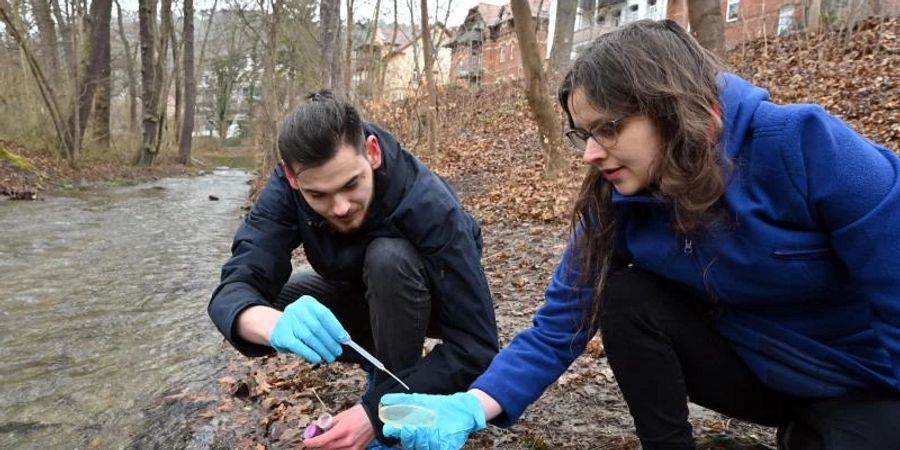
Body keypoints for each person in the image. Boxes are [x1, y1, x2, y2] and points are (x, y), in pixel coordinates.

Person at [380, 19, 900, 450]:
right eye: (584, 134)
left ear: (672, 108)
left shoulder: (805, 147)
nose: (590, 152)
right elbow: (560, 323)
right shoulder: (617, 197)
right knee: (627, 296)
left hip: (861, 380)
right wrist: (472, 404)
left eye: (608, 129)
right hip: (756, 373)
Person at [207, 90, 498, 449]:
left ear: (372, 153)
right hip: (355, 294)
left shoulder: (431, 206)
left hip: (427, 300)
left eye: (351, 184)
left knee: (388, 259)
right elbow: (234, 286)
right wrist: (272, 324)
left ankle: (396, 404)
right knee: (273, 303)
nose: (341, 207)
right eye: (319, 196)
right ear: (294, 178)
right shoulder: (288, 188)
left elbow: (477, 345)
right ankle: (380, 366)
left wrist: (377, 414)